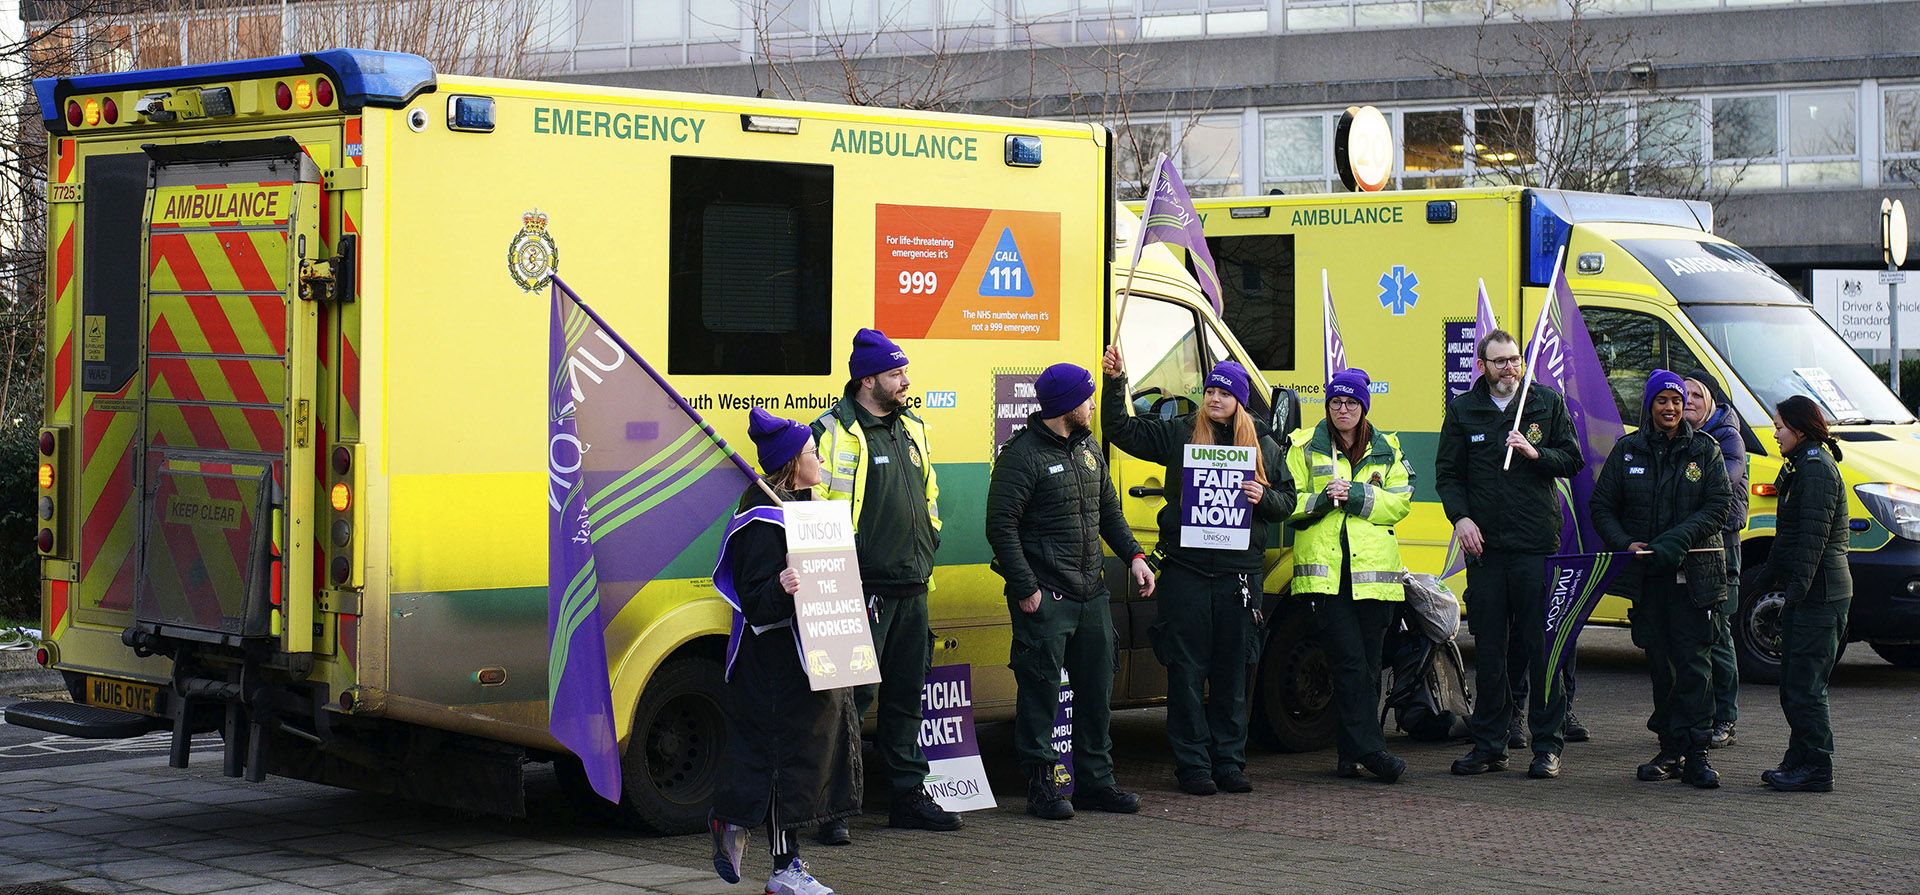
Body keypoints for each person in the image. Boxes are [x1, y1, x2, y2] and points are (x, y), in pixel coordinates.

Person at [1101, 349, 1296, 795]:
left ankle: (1228, 762)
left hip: (1238, 578)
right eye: (1209, 390)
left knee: (1232, 673)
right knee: (1186, 672)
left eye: (1224, 391)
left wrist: (1261, 498)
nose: (1214, 397)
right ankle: (1192, 765)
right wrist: (1116, 383)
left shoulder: (1263, 445)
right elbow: (1120, 429)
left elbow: (1287, 500)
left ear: (1240, 401)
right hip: (1187, 572)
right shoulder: (1181, 433)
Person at [987, 362, 1157, 819]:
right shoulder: (1021, 456)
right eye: (1087, 398)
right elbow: (1000, 526)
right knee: (1040, 696)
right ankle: (1042, 787)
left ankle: (1096, 783)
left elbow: (1109, 513)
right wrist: (1026, 588)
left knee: (1097, 693)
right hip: (1045, 597)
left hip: (1091, 595)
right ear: (1065, 405)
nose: (1093, 405)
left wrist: (1136, 558)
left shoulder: (1088, 450)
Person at [810, 328, 959, 844]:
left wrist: (930, 542)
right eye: (896, 374)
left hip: (914, 585)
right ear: (867, 379)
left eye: (904, 372)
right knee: (851, 699)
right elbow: (813, 510)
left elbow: (929, 493)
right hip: (860, 591)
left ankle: (907, 796)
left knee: (906, 693)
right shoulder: (831, 432)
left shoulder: (912, 426)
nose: (905, 381)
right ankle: (832, 806)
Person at [710, 408, 860, 895]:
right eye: (813, 452)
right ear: (793, 463)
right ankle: (781, 865)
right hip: (773, 665)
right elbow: (754, 604)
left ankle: (772, 854)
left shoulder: (809, 507)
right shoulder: (760, 520)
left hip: (813, 660)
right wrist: (780, 583)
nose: (820, 459)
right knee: (780, 765)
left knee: (801, 763)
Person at [1437, 330, 1584, 780]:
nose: (1509, 368)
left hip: (1535, 544)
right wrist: (1461, 518)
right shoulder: (1464, 410)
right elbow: (1447, 475)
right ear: (1482, 366)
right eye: (1499, 361)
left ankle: (1547, 745)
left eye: (1515, 360)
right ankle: (1490, 745)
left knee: (1540, 647)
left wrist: (1536, 453)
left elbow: (1572, 460)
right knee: (1493, 650)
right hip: (1486, 549)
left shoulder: (1545, 403)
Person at [1591, 369, 1731, 789]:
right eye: (1662, 401)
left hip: (1696, 579)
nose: (1671, 408)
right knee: (1660, 667)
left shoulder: (1704, 450)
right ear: (1649, 406)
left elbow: (1719, 506)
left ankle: (1698, 753)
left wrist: (1676, 540)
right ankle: (1670, 750)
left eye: (1676, 401)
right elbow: (1602, 506)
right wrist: (1627, 543)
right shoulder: (1628, 450)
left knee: (1694, 667)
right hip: (1649, 580)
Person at [1286, 367, 1413, 783]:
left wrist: (1356, 494)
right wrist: (1322, 499)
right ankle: (1374, 751)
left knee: (1370, 665)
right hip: (1327, 577)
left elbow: (1400, 503)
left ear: (1363, 407)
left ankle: (1349, 754)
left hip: (1374, 576)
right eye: (1336, 402)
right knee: (1349, 663)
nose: (1343, 410)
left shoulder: (1387, 448)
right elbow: (1289, 503)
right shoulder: (1304, 446)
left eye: (1351, 403)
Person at [1754, 395, 1852, 793]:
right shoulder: (1801, 466)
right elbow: (1787, 537)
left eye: (1779, 427)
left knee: (1805, 685)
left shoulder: (1815, 470)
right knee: (1794, 682)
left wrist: (1792, 594)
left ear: (1798, 427)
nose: (1775, 434)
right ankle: (1799, 758)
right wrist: (1762, 582)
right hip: (1810, 593)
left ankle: (1816, 767)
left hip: (1820, 595)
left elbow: (1812, 541)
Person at [1684, 370, 1749, 750]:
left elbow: (1718, 488)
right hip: (1690, 546)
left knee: (1719, 634)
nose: (1687, 400)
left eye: (1696, 394)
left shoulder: (1727, 438)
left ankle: (1726, 717)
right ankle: (1696, 714)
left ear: (1711, 400)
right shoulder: (1679, 437)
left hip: (1719, 549)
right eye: (1682, 394)